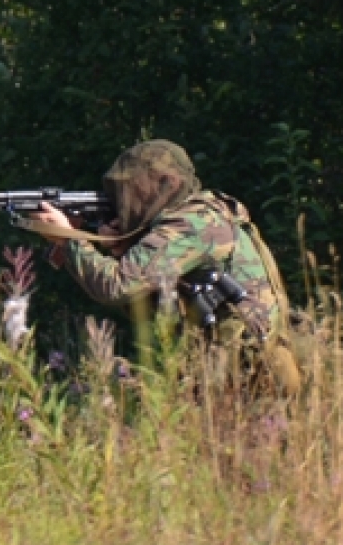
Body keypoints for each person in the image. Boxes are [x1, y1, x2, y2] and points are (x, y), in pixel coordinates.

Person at [32, 139, 299, 393]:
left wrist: (69, 241)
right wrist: (120, 248)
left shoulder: (193, 223)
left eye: (133, 190)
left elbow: (117, 286)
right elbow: (147, 305)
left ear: (163, 185)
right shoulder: (203, 215)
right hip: (235, 373)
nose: (124, 201)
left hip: (248, 378)